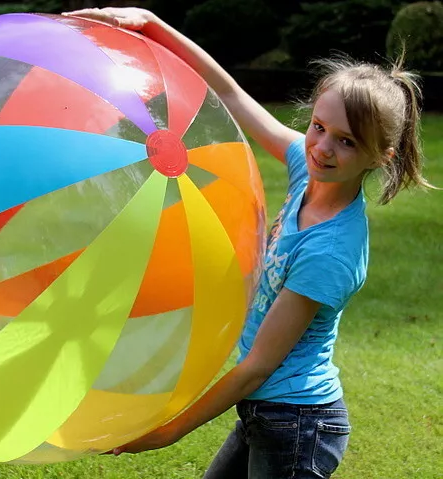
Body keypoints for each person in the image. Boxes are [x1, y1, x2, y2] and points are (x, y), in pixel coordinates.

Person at [63, 7, 435, 479]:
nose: (321, 147)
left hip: (299, 424)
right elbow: (228, 94)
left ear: (379, 156)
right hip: (267, 412)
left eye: (345, 142)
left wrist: (169, 431)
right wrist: (151, 22)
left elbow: (258, 365)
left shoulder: (331, 250)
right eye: (319, 127)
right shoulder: (307, 168)